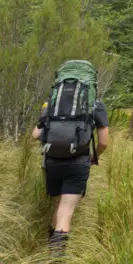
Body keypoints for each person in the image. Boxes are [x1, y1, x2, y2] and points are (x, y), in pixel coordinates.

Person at [32, 95, 109, 254]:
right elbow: (103, 142)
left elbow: (35, 135)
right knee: (66, 210)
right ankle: (56, 260)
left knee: (58, 205)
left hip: (52, 162)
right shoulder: (96, 103)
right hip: (78, 162)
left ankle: (50, 249)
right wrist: (94, 157)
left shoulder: (52, 102)